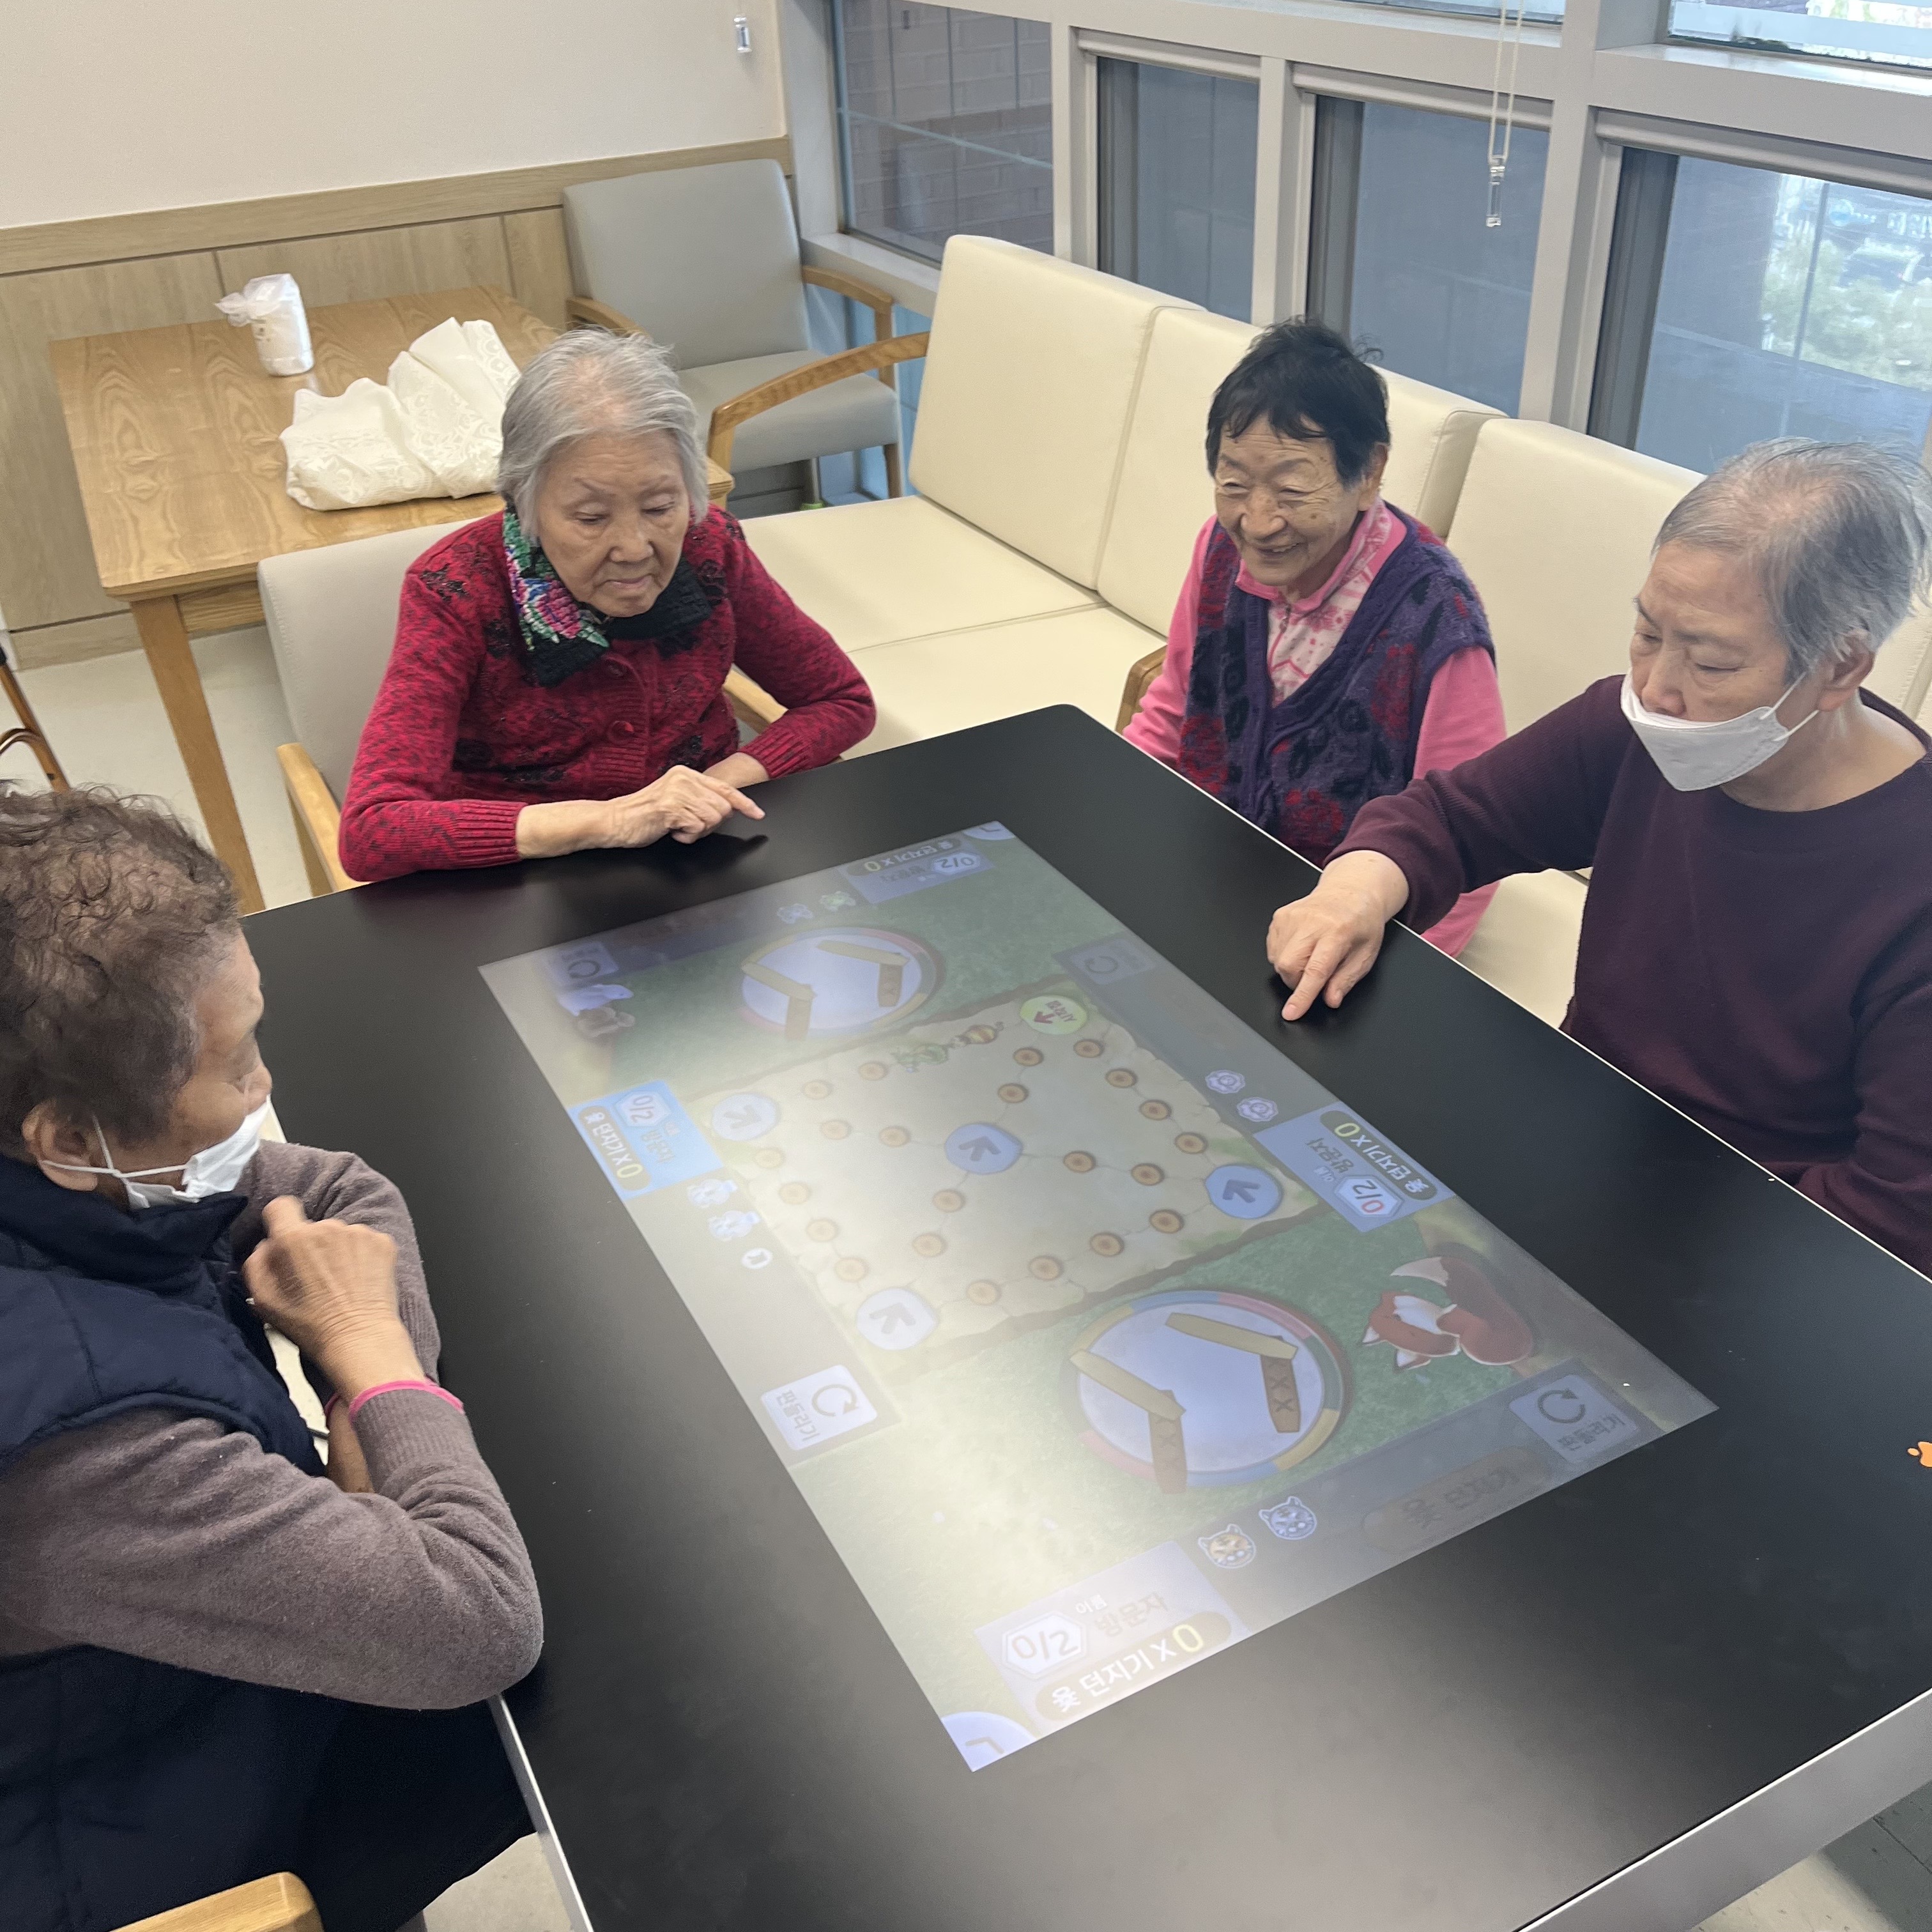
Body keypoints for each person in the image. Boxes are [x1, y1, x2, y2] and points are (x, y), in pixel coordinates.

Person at [0, 787, 544, 1932]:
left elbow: (340, 1188)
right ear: (70, 1137)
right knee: (578, 1657)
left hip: (141, 1656)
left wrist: (358, 1443)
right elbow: (475, 1624)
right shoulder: (84, 1448)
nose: (263, 1092)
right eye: (237, 1061)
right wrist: (374, 1358)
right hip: (115, 1810)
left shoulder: (69, 1172)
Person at [1265, 438, 1932, 1275]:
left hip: (1736, 1244)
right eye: (1648, 632)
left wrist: (1637, 1243)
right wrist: (1350, 893)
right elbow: (1450, 819)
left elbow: (1894, 1216)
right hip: (1571, 1138)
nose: (1656, 687)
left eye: (1711, 661)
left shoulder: (1909, 883)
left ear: (1841, 666)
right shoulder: (1635, 731)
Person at [339, 329, 875, 882]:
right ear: (524, 500)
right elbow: (372, 830)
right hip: (525, 873)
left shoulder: (709, 545)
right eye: (591, 518)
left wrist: (715, 786)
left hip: (698, 849)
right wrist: (611, 821)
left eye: (660, 507)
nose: (635, 549)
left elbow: (841, 700)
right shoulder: (456, 589)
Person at [1124, 319, 1506, 953]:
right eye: (1234, 484)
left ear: (1370, 472)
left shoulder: (1439, 618)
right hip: (1216, 872)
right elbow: (1173, 714)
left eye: (1292, 489)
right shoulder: (1219, 550)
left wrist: (1401, 972)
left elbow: (1467, 833)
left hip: (1344, 924)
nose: (1258, 521)